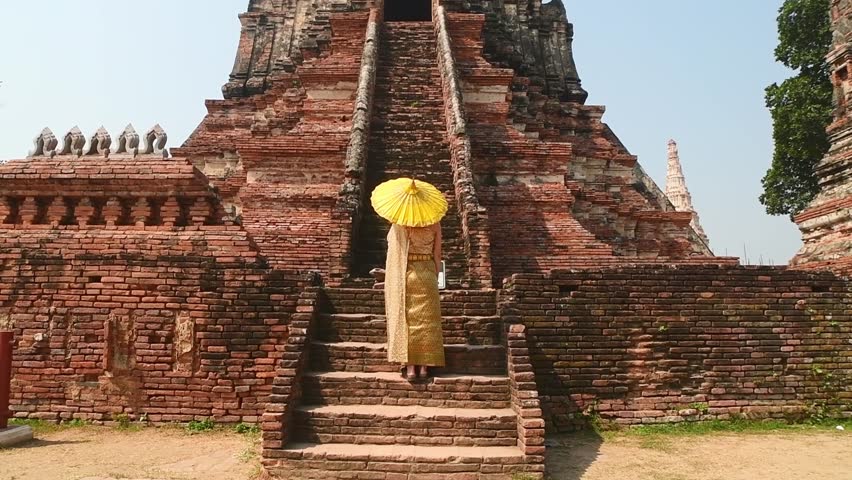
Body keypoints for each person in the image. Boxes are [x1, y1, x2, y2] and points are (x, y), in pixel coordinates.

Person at [384, 221, 445, 380]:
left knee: (409, 321)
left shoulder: (401, 223)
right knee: (427, 322)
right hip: (427, 274)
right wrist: (434, 275)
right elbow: (437, 255)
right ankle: (424, 367)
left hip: (407, 274)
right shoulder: (435, 224)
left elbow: (394, 250)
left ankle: (411, 368)